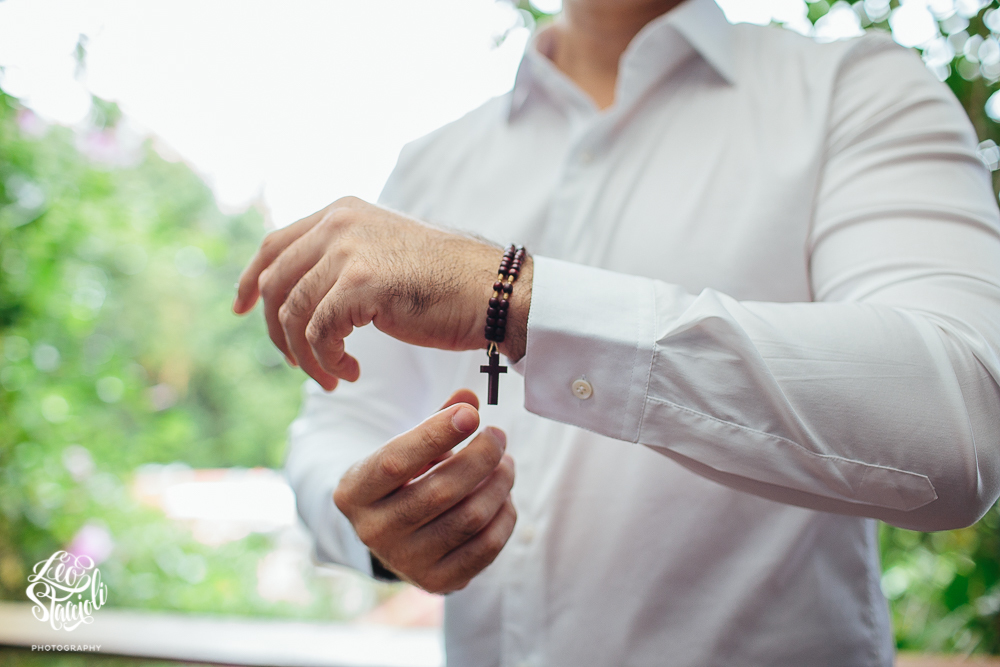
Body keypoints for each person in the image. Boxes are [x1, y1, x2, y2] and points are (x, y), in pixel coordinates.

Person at [233, 0, 1000, 664]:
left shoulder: (857, 92)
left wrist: (511, 294)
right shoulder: (432, 164)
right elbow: (338, 423)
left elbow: (960, 421)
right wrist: (375, 528)